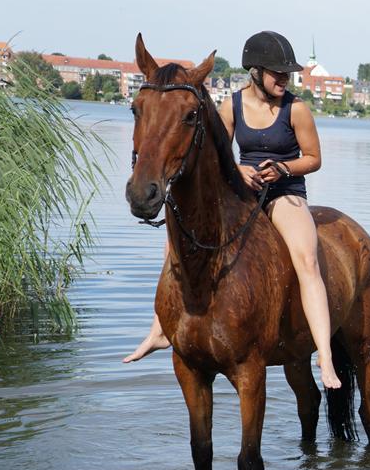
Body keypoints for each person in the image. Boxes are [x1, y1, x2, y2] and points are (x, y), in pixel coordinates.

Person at [124, 30, 340, 391]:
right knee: (175, 243)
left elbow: (314, 159)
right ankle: (159, 331)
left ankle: (326, 356)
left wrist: (284, 168)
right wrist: (239, 170)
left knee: (307, 259)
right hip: (243, 193)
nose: (284, 79)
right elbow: (217, 152)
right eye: (277, 73)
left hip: (284, 194)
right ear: (255, 72)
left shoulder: (296, 109)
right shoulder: (232, 105)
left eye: (287, 74)